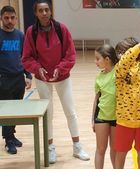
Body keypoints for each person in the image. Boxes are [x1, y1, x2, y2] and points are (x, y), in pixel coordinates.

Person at [21, 0, 89, 164]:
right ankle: (50, 148)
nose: (44, 13)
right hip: (42, 79)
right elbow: (27, 58)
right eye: (40, 11)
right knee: (48, 115)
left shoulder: (61, 29)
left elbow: (70, 54)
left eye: (46, 10)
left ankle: (77, 146)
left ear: (51, 12)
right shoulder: (32, 32)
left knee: (70, 112)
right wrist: (38, 69)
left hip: (62, 78)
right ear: (36, 13)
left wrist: (61, 68)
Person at [114, 37, 140, 169]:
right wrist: (139, 46)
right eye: (118, 52)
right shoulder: (120, 68)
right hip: (124, 120)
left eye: (123, 51)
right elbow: (124, 62)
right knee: (121, 154)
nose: (120, 55)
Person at [0, 5, 32, 155]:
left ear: (16, 18)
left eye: (12, 18)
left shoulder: (20, 35)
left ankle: (11, 135)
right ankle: (8, 141)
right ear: (1, 18)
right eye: (6, 18)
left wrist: (28, 76)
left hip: (18, 79)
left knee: (16, 110)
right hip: (4, 80)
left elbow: (24, 57)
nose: (9, 21)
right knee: (7, 111)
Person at [92, 44, 118, 169]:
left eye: (98, 59)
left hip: (117, 118)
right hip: (101, 117)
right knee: (100, 149)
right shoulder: (99, 77)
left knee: (115, 149)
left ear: (107, 59)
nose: (95, 62)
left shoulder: (118, 72)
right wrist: (93, 119)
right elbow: (96, 100)